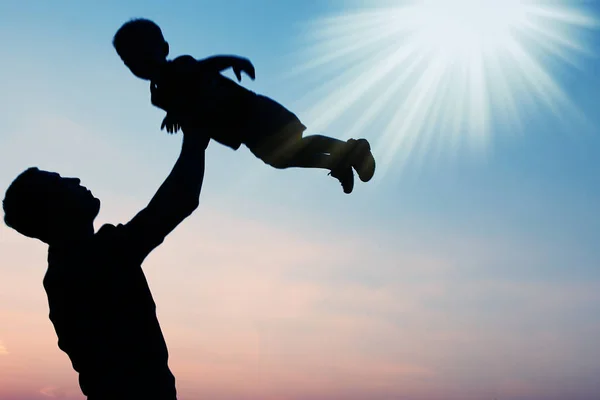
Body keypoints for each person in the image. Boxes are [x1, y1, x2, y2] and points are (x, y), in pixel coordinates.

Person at [2, 132, 210, 400]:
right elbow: (177, 201)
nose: (74, 180)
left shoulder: (65, 272)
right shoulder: (91, 261)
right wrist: (195, 138)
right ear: (55, 210)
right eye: (61, 183)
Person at [112, 18, 376, 194]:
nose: (140, 63)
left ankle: (350, 149)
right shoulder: (158, 97)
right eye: (131, 61)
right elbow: (183, 105)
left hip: (250, 111)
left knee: (295, 144)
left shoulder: (181, 66)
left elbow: (206, 66)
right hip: (238, 130)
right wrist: (174, 114)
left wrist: (234, 60)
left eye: (145, 54)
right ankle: (337, 163)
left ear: (164, 48)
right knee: (280, 159)